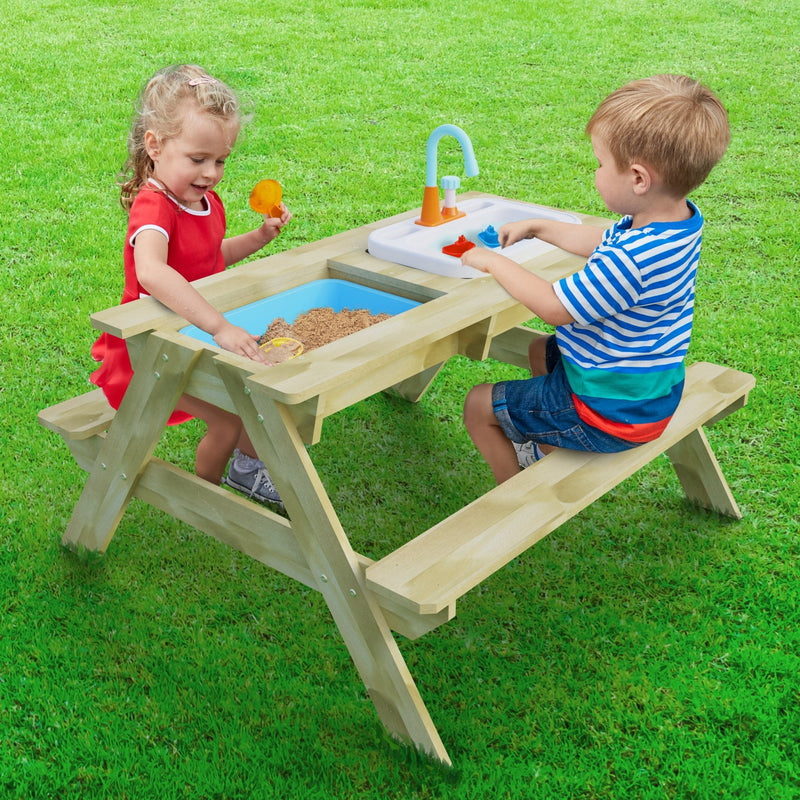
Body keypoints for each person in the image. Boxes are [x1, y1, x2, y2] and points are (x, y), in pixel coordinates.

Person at [460, 74, 730, 485]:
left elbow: (554, 306)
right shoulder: (675, 222)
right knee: (539, 351)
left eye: (601, 163)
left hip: (607, 413)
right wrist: (539, 226)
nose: (596, 171)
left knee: (479, 404)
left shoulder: (631, 259)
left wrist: (493, 262)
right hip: (644, 392)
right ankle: (548, 440)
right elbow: (600, 239)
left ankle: (514, 489)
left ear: (639, 179)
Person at [90, 64, 292, 505]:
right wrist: (220, 326)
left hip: (191, 332)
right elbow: (154, 272)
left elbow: (209, 257)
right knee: (228, 419)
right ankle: (209, 501)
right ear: (156, 146)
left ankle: (246, 467)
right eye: (197, 159)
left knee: (264, 382)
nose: (211, 173)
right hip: (148, 352)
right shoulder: (154, 208)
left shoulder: (205, 201)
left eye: (220, 160)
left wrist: (259, 237)